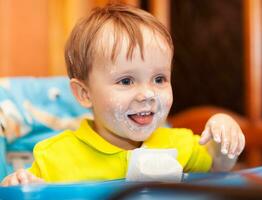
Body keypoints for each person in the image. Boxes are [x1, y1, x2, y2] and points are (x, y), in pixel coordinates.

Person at [1, 4, 245, 186]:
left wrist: (224, 142)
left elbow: (218, 169)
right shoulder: (56, 157)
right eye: (126, 80)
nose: (148, 93)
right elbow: (26, 190)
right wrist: (19, 184)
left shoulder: (177, 143)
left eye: (159, 79)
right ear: (85, 94)